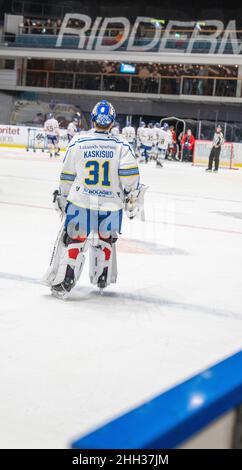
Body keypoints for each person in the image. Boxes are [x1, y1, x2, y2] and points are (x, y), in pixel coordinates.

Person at [43, 100, 145, 299]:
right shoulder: (121, 145)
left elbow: (67, 175)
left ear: (93, 120)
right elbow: (131, 177)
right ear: (112, 122)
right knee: (106, 238)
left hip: (81, 201)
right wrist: (132, 196)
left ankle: (66, 279)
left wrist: (63, 196)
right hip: (111, 205)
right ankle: (102, 275)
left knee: (75, 239)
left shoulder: (79, 142)